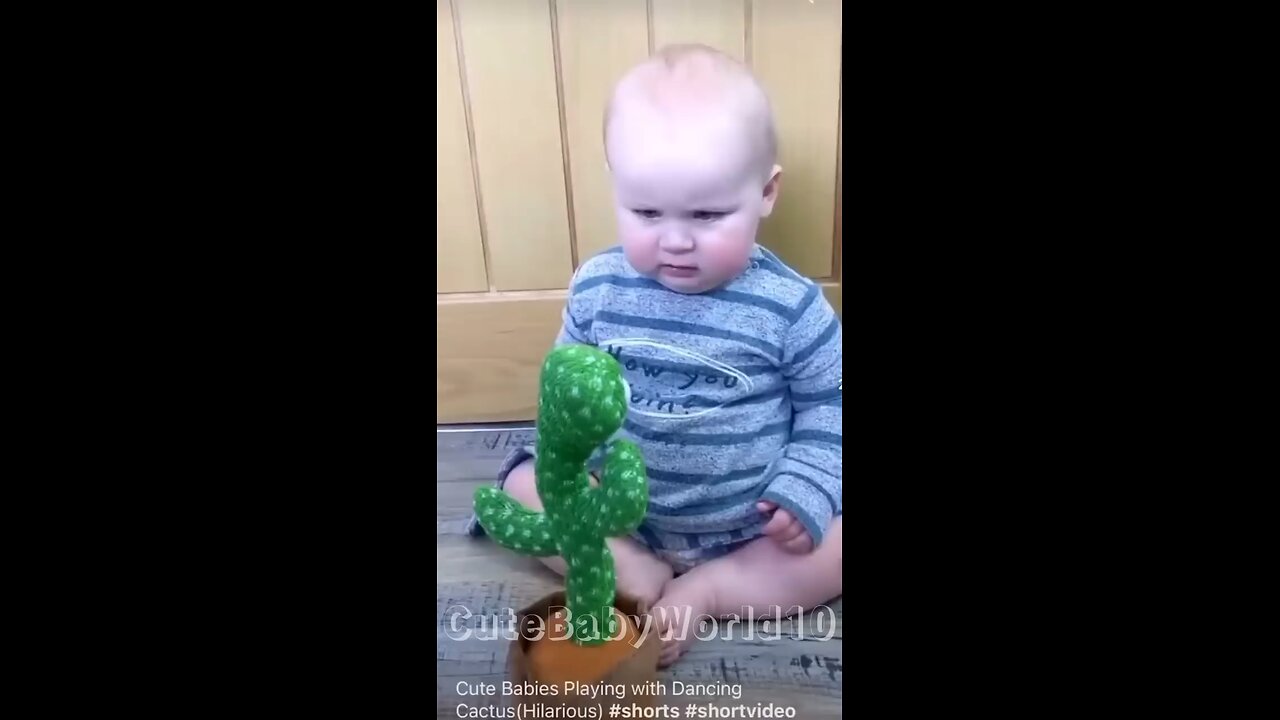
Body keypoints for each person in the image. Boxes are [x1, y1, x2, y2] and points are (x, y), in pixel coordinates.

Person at [468, 43, 841, 667]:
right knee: (521, 482)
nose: (674, 240)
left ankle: (713, 590)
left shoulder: (792, 308)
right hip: (615, 509)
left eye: (707, 214)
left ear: (766, 192)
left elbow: (831, 407)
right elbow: (565, 397)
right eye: (644, 211)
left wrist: (806, 486)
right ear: (616, 185)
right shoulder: (598, 288)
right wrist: (571, 477)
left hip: (748, 524)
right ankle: (627, 565)